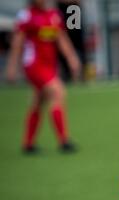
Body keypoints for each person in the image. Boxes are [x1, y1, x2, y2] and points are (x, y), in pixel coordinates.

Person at [5, 0, 80, 154]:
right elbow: (17, 42)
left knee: (38, 101)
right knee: (57, 91)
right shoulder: (26, 15)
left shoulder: (53, 15)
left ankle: (28, 144)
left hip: (49, 66)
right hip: (33, 65)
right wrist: (12, 66)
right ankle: (64, 141)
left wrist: (72, 58)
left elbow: (61, 39)